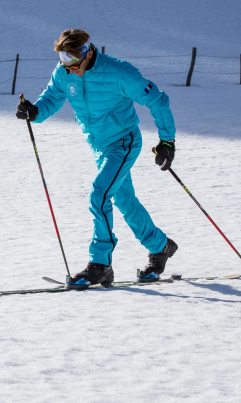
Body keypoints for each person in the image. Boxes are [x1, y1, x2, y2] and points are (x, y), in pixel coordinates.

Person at [16, 29, 178, 287]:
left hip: (124, 142)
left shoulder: (119, 72)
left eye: (74, 63)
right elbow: (52, 98)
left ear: (88, 52)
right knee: (124, 200)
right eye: (64, 63)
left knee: (99, 194)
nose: (70, 70)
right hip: (98, 146)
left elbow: (157, 100)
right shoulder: (64, 71)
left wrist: (167, 141)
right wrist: (34, 111)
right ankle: (160, 246)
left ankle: (100, 264)